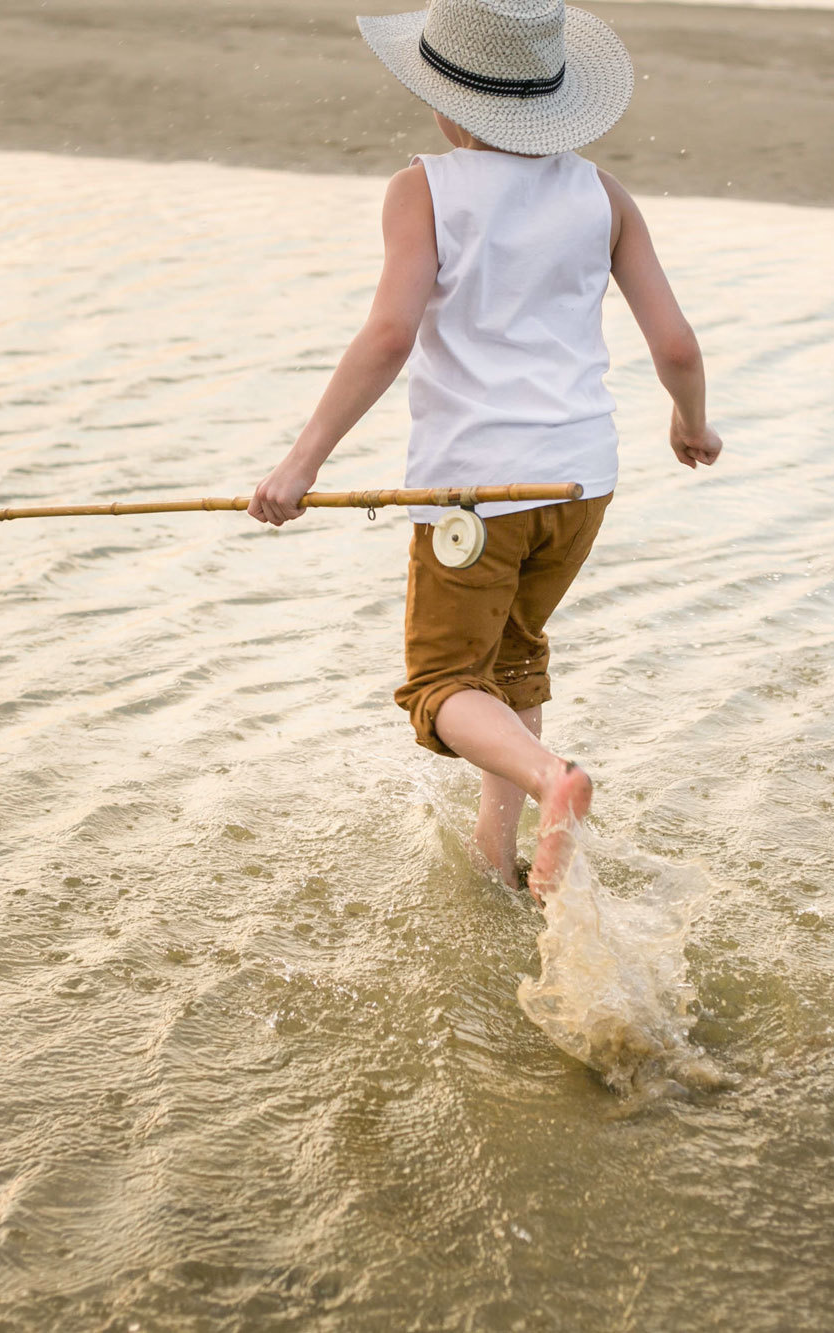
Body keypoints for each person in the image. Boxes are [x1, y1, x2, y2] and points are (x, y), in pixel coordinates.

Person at [248, 0, 720, 899]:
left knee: (440, 683)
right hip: (582, 481)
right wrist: (690, 421)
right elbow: (679, 346)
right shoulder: (602, 194)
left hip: (474, 492)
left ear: (446, 102)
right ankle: (495, 857)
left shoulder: (422, 188)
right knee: (513, 658)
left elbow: (389, 335)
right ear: (549, 100)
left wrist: (301, 461)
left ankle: (552, 782)